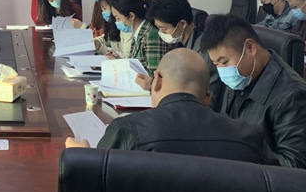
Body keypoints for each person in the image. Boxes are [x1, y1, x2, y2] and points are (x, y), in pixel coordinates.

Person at [66, 49, 277, 165]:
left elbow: (95, 188)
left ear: (156, 80)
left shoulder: (127, 130)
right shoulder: (249, 136)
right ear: (207, 97)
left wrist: (81, 157)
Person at [202, 14, 306, 179]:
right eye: (216, 64)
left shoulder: (294, 97)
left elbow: (298, 170)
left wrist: (240, 151)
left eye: (224, 62)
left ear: (250, 48)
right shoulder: (242, 78)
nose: (221, 71)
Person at [104, 0, 168, 74]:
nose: (116, 22)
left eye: (118, 18)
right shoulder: (138, 31)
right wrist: (119, 61)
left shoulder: (151, 35)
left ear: (131, 16)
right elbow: (137, 65)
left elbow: (154, 74)